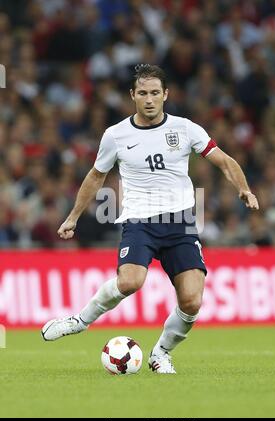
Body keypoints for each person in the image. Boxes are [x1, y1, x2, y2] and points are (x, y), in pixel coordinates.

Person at [41, 64, 259, 373]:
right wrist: (73, 216)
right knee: (130, 281)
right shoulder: (115, 135)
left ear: (166, 94)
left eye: (155, 93)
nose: (149, 99)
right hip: (140, 220)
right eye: (142, 93)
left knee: (192, 301)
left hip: (181, 222)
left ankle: (161, 353)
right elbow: (95, 176)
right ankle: (79, 321)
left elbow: (224, 161)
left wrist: (244, 189)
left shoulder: (185, 129)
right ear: (132, 95)